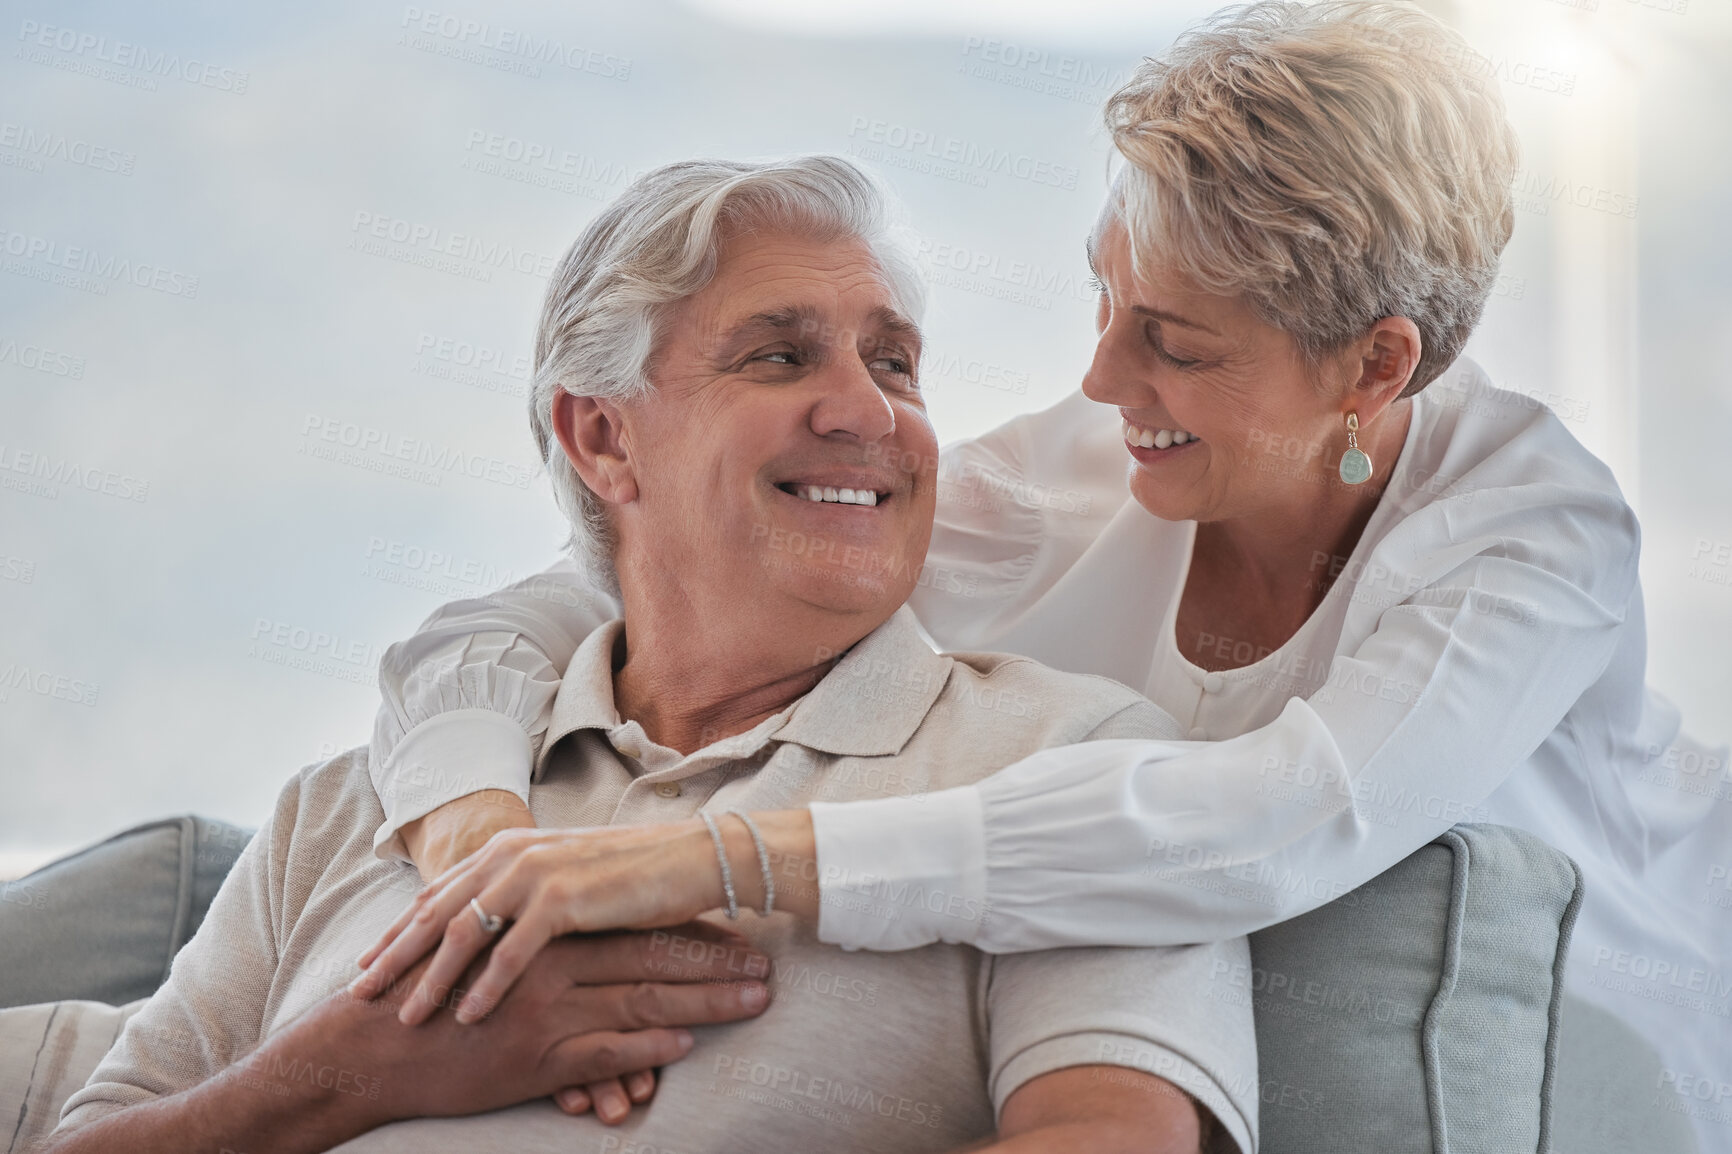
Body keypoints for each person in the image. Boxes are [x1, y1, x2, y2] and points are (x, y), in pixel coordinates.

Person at [353, 0, 1730, 1136]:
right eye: (1105, 296)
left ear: (1377, 365)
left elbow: (1270, 824)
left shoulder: (1535, 539)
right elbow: (520, 622)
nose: (1100, 376)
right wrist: (489, 857)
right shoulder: (1075, 478)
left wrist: (704, 860)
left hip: (1630, 1069)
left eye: (1176, 343)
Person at [46, 155, 1257, 1154]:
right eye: (781, 355)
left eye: (894, 361)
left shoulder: (1074, 767)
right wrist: (349, 1070)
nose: (868, 410)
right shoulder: (355, 802)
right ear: (603, 438)